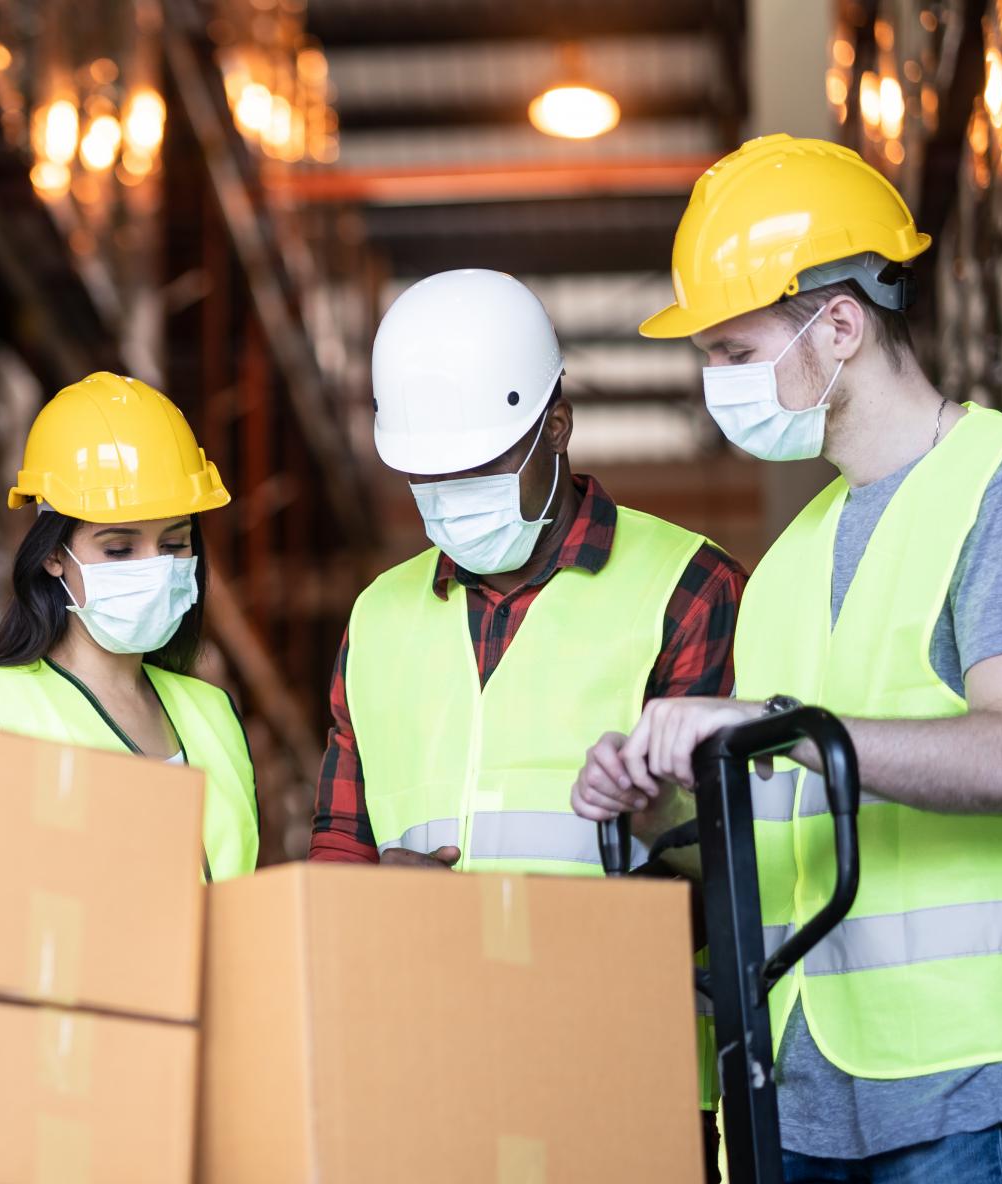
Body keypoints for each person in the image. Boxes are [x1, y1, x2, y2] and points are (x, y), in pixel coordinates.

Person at [572, 134, 1002, 1184]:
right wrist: (652, 798)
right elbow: (778, 822)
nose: (717, 384)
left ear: (839, 325)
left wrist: (773, 725)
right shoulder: (788, 562)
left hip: (980, 1090)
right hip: (802, 1097)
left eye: (732, 351)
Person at [315, 268, 747, 1117]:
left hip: (621, 1081)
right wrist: (365, 901)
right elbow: (338, 861)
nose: (452, 501)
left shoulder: (690, 589)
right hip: (418, 1076)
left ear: (558, 424)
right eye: (428, 477)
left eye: (481, 466)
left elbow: (741, 880)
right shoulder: (377, 620)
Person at [0, 371, 259, 881]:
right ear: (54, 554)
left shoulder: (214, 717)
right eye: (119, 548)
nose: (156, 567)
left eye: (174, 544)